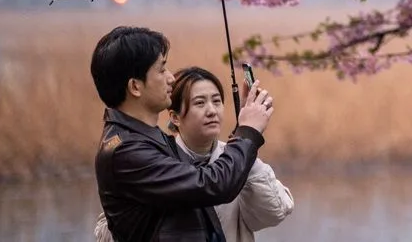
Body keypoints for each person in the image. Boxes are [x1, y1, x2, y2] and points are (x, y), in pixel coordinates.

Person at [90, 26, 275, 242]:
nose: (171, 78)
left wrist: (242, 127)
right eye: (161, 70)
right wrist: (248, 131)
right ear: (135, 87)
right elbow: (211, 185)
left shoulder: (145, 138)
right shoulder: (126, 152)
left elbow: (201, 179)